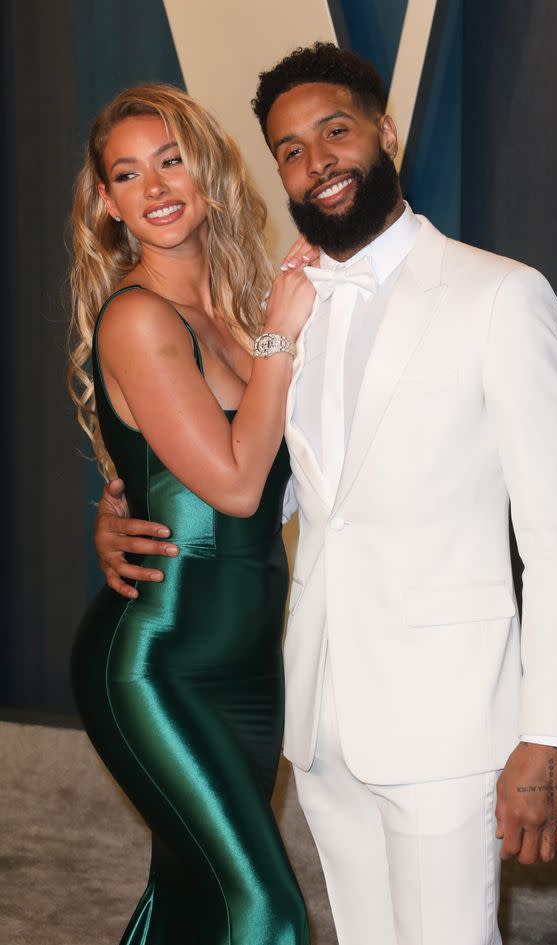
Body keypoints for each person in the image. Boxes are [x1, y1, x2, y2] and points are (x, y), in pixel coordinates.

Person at [94, 46, 557, 945]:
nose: (316, 160)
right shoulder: (286, 310)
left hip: (448, 725)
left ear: (385, 131)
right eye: (289, 148)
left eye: (335, 131)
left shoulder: (500, 296)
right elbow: (269, 484)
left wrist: (549, 731)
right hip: (319, 716)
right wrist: (127, 503)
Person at [67, 82, 317, 945]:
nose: (158, 186)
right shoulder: (140, 317)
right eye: (129, 174)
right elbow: (239, 486)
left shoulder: (235, 314)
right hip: (158, 664)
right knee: (267, 912)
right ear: (109, 203)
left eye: (170, 159)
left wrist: (266, 335)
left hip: (247, 662)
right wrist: (282, 340)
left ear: (205, 167)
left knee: (192, 902)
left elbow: (287, 486)